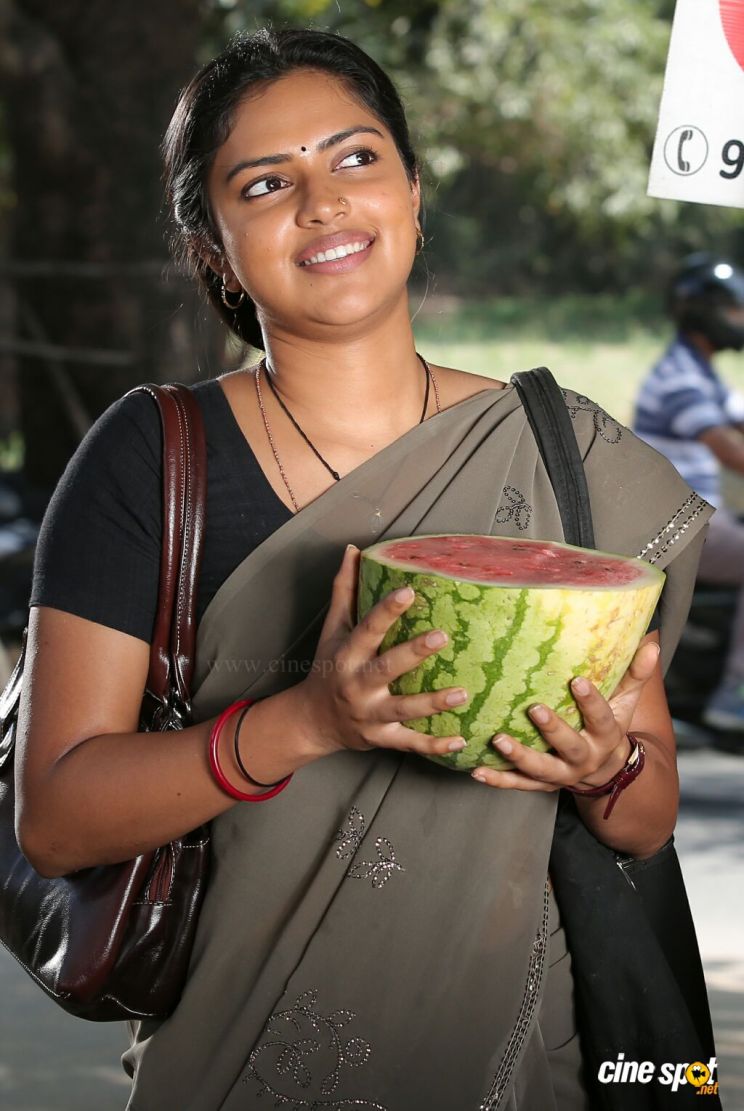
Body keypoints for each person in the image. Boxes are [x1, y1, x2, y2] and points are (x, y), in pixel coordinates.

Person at [16, 28, 715, 1111]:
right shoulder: (152, 459)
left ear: (413, 191)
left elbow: (646, 812)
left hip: (529, 1070)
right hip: (237, 1065)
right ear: (212, 248)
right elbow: (56, 818)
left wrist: (604, 764)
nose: (324, 202)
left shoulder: (567, 456)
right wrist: (309, 722)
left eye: (356, 158)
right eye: (265, 182)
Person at [633, 254, 744, 734]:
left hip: (692, 513)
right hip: (679, 523)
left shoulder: (698, 371)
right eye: (733, 309)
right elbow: (731, 449)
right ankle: (735, 693)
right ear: (703, 313)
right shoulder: (681, 377)